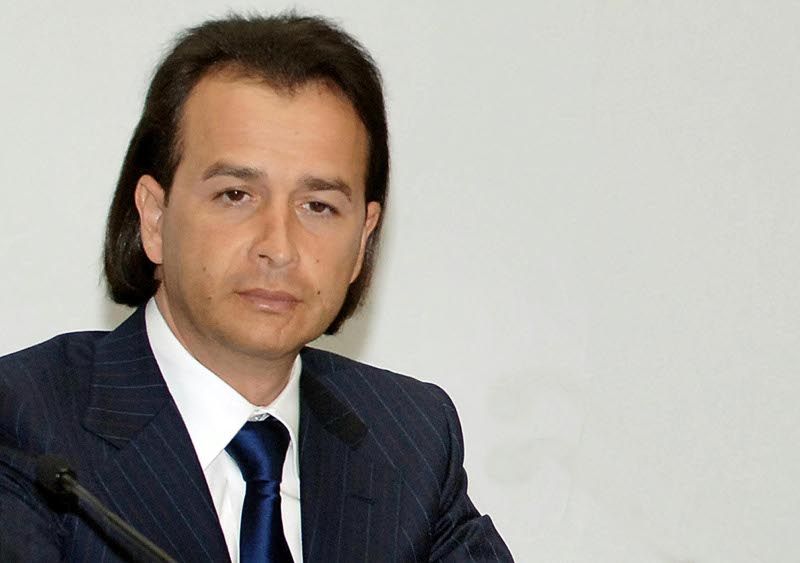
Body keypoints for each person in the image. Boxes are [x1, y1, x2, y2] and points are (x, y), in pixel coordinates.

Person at [0, 13, 512, 563]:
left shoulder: (410, 439)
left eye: (318, 206)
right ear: (154, 217)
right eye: (235, 195)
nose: (279, 246)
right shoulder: (24, 425)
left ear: (362, 240)